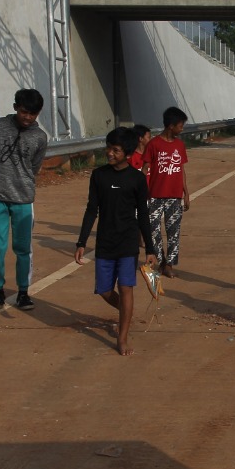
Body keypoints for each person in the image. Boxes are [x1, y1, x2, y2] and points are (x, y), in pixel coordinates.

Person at [75, 127, 158, 356]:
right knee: (104, 290)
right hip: (105, 242)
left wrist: (150, 248)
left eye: (116, 150)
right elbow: (92, 209)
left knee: (126, 288)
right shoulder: (99, 176)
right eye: (108, 148)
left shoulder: (137, 179)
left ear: (128, 153)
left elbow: (143, 214)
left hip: (128, 243)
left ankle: (122, 336)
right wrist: (81, 242)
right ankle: (126, 313)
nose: (109, 153)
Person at [0, 88, 49, 311]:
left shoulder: (39, 137)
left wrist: (23, 182)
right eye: (24, 112)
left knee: (23, 248)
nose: (27, 117)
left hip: (23, 198)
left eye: (32, 114)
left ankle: (23, 292)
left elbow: (35, 166)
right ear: (15, 108)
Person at [144, 106, 190, 278]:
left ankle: (169, 263)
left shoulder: (179, 145)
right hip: (155, 195)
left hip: (174, 196)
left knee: (173, 232)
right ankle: (160, 259)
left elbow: (181, 169)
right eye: (180, 125)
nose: (182, 128)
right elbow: (146, 167)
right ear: (171, 126)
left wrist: (186, 193)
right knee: (153, 230)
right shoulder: (154, 144)